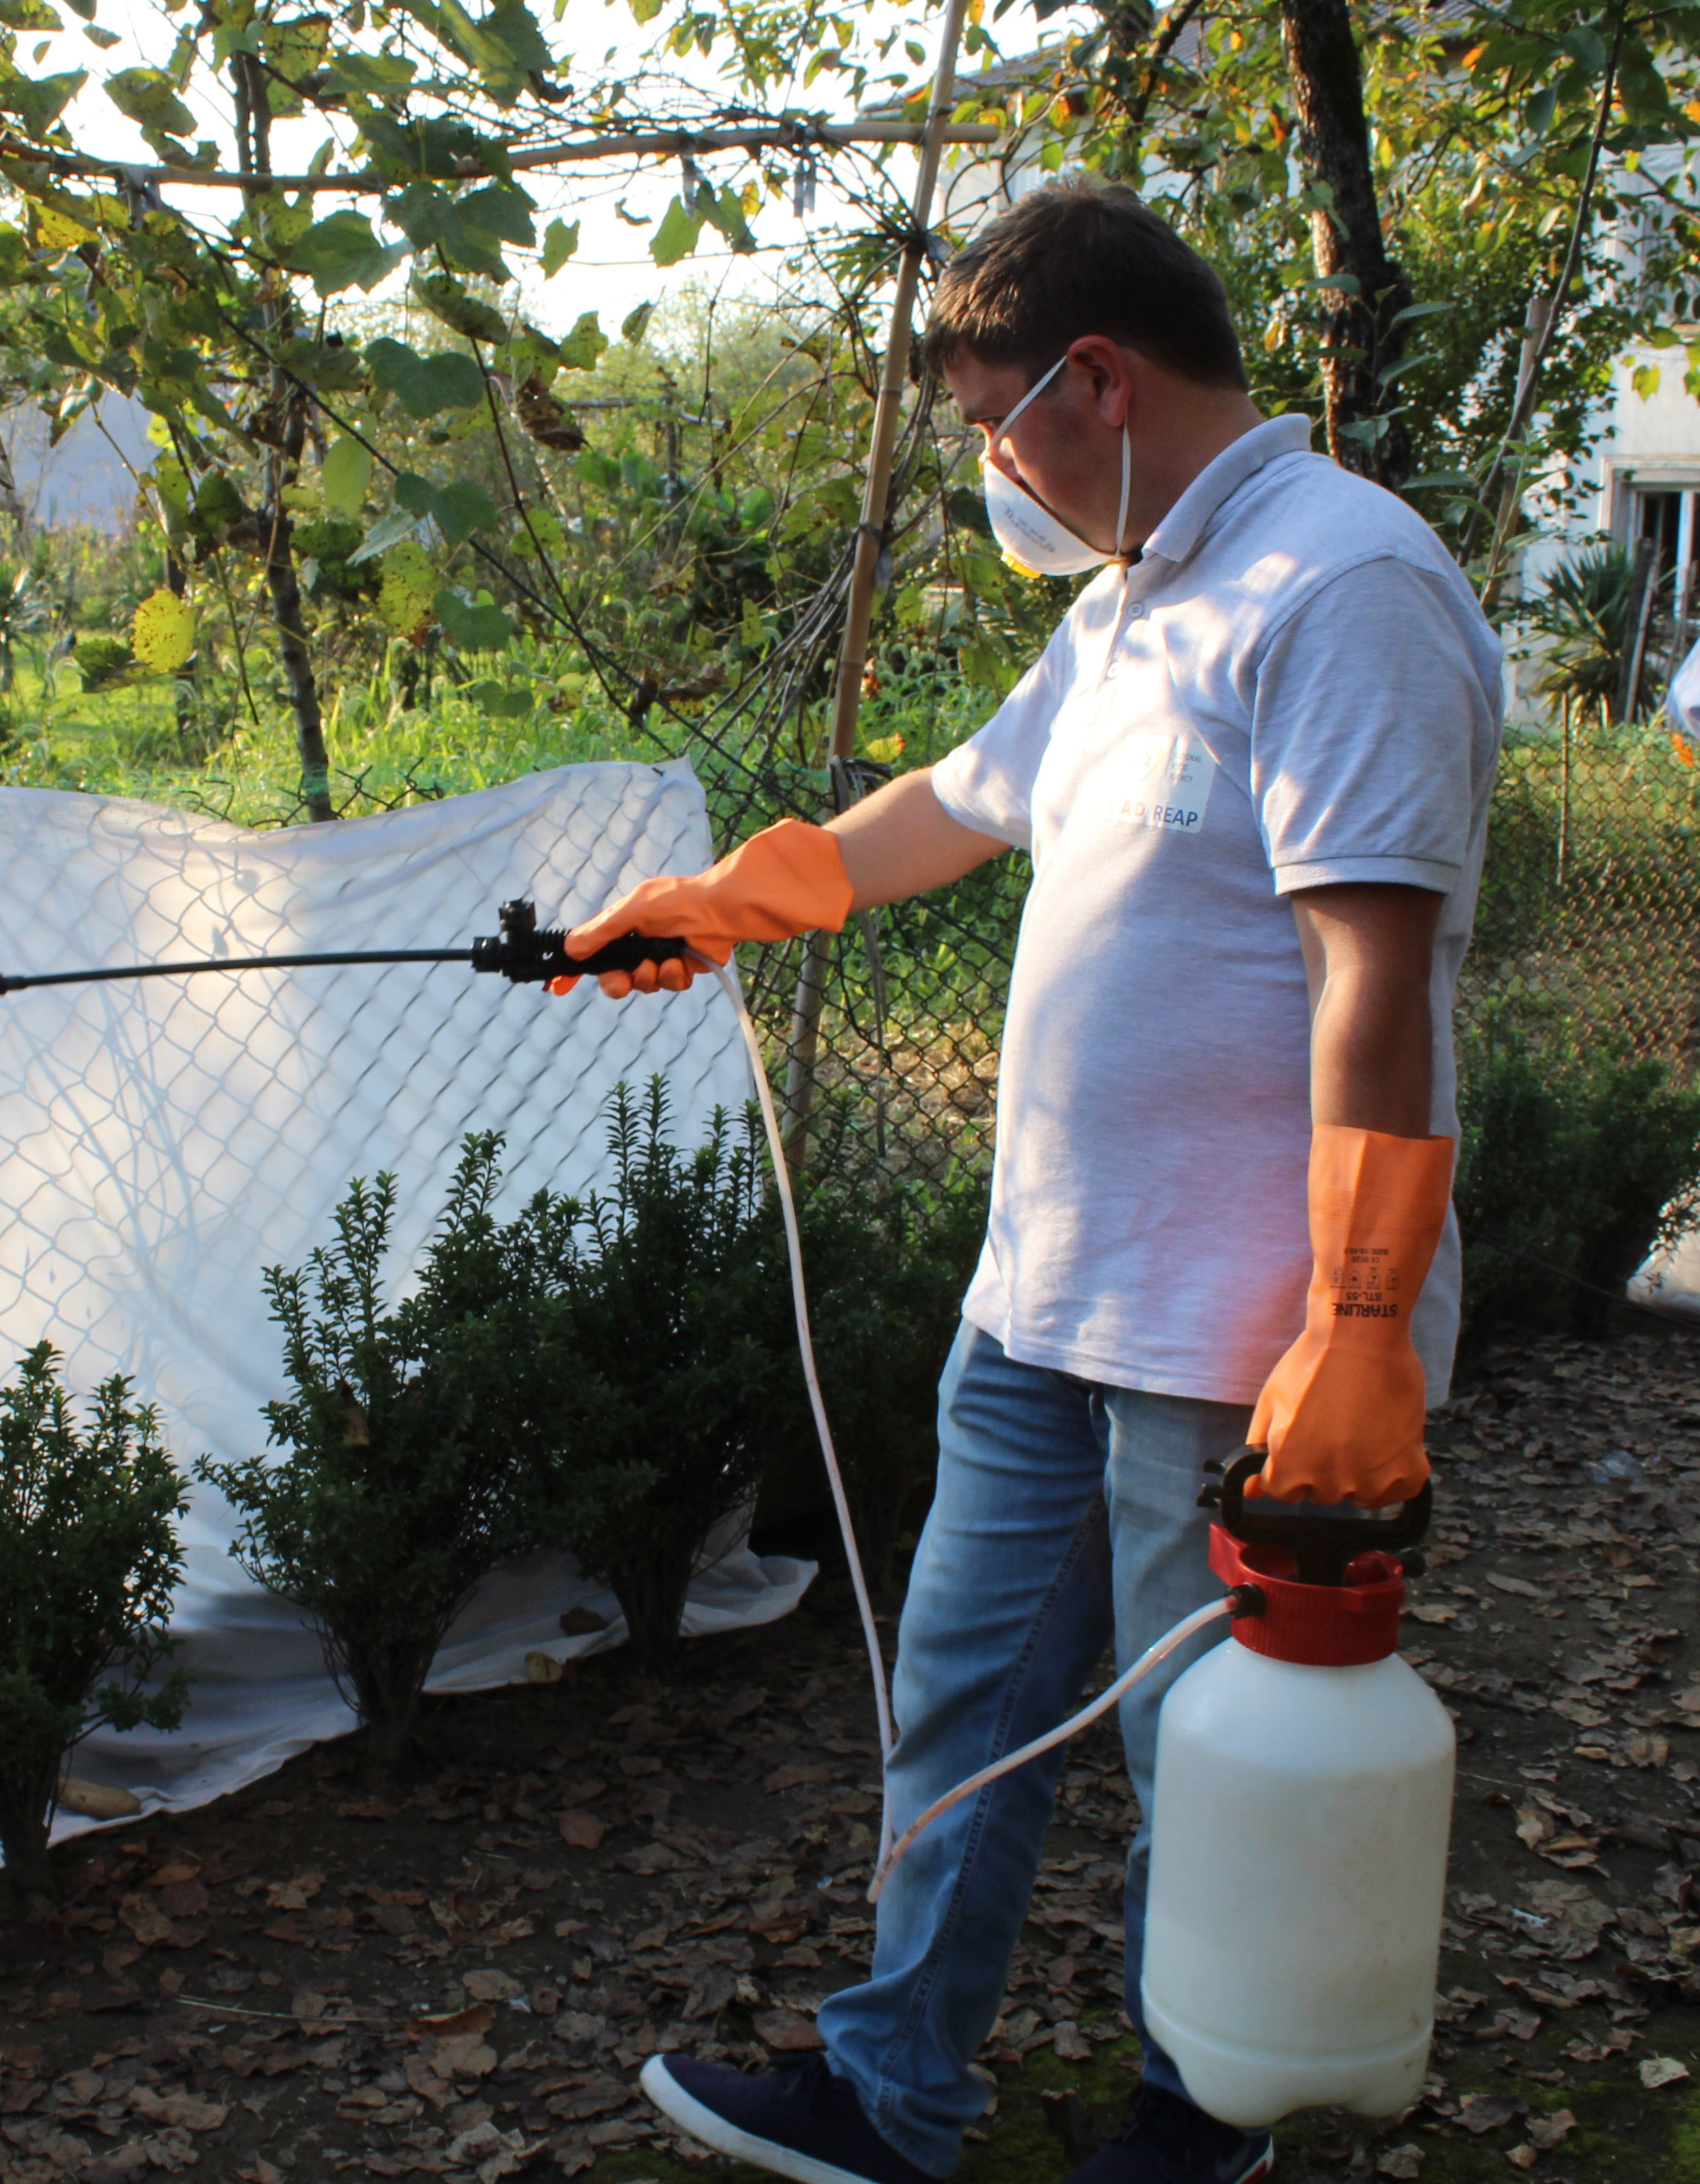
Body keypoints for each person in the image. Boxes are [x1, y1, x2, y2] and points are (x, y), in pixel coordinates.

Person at [558, 176, 1501, 2184]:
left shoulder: (1343, 587)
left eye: (996, 424)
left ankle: (1202, 2120)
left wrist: (1350, 1322)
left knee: (1201, 1765)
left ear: (1096, 377)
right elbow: (952, 806)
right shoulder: (1127, 604)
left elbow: (1376, 973)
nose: (991, 470)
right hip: (1040, 1301)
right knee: (962, 1710)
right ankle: (892, 2086)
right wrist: (726, 901)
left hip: (1236, 1335)